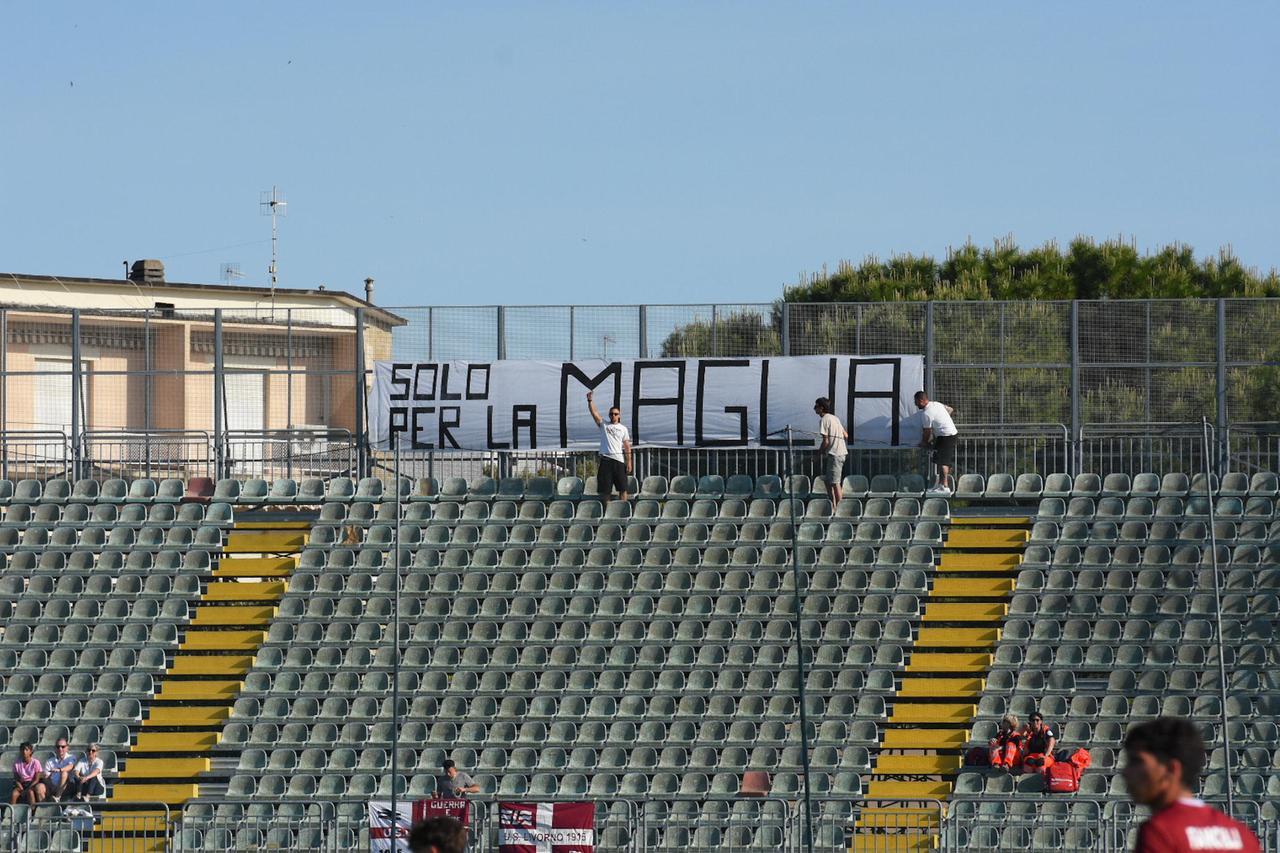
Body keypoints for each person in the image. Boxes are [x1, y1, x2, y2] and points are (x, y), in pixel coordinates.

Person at [1125, 717, 1261, 853]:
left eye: (1137, 762)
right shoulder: (1244, 836)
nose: (1126, 771)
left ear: (1171, 769)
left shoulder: (1160, 832)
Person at [586, 391, 633, 504]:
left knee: (623, 489)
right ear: (609, 415)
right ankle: (608, 512)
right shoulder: (604, 425)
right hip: (606, 461)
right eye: (611, 414)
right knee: (606, 491)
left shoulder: (623, 429)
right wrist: (590, 401)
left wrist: (629, 462)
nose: (613, 416)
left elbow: (627, 446)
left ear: (619, 415)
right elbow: (594, 413)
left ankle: (622, 511)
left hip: (619, 461)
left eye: (616, 414)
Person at [914, 391, 958, 495]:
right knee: (939, 460)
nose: (915, 404)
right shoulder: (936, 404)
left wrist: (924, 442)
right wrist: (942, 420)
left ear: (921, 400)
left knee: (943, 462)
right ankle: (939, 485)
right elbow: (950, 409)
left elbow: (927, 431)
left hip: (946, 436)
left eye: (916, 402)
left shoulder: (926, 413)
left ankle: (944, 486)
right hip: (945, 435)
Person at [813, 397, 848, 504]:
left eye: (816, 406)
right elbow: (846, 435)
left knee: (835, 483)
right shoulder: (835, 418)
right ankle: (833, 504)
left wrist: (818, 455)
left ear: (821, 408)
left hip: (835, 454)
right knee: (828, 482)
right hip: (841, 453)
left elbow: (826, 442)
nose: (814, 408)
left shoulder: (824, 420)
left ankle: (839, 507)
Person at [42, 738, 77, 802]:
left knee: (64, 773)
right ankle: (43, 806)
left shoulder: (71, 757)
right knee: (39, 787)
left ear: (67, 748)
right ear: (55, 748)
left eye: (63, 747)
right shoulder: (49, 761)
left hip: (68, 786)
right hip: (53, 787)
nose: (60, 749)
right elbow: (46, 777)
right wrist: (52, 786)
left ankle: (57, 797)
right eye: (58, 747)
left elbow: (71, 766)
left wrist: (60, 770)